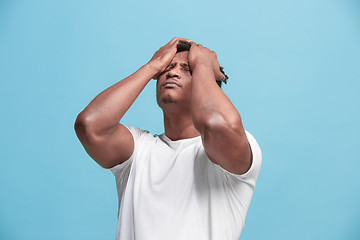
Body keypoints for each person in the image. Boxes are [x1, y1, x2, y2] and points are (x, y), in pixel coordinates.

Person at [74, 37, 262, 240]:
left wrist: (203, 65)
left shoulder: (234, 148)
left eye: (187, 69)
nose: (172, 72)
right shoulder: (138, 150)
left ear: (206, 81)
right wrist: (152, 65)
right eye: (167, 67)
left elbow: (216, 123)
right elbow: (89, 125)